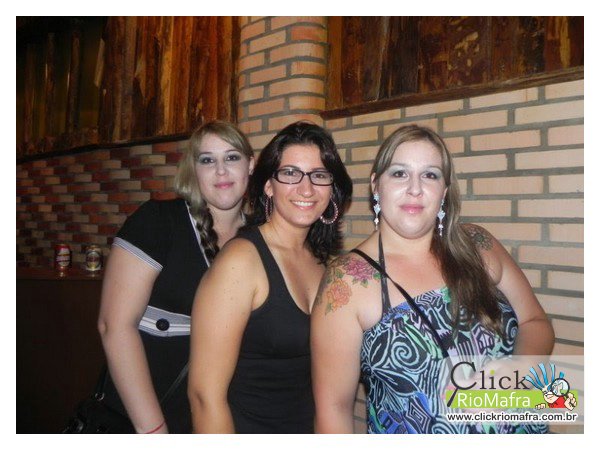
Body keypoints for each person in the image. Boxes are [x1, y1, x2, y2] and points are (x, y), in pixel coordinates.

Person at [311, 124, 554, 434]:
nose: (415, 188)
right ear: (376, 186)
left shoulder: (478, 245)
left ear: (444, 191)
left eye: (430, 175)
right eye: (399, 173)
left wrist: (518, 369)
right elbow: (333, 409)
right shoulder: (346, 283)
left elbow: (535, 321)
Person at [188, 121, 353, 433]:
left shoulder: (322, 264)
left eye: (319, 175)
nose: (306, 188)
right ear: (268, 185)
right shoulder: (241, 261)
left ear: (331, 188)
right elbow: (204, 397)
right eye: (290, 173)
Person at [97, 120, 254, 433]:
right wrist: (154, 431)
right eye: (207, 160)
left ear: (250, 165)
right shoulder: (158, 222)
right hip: (145, 420)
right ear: (194, 170)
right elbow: (114, 327)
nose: (221, 170)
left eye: (232, 157)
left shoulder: (260, 237)